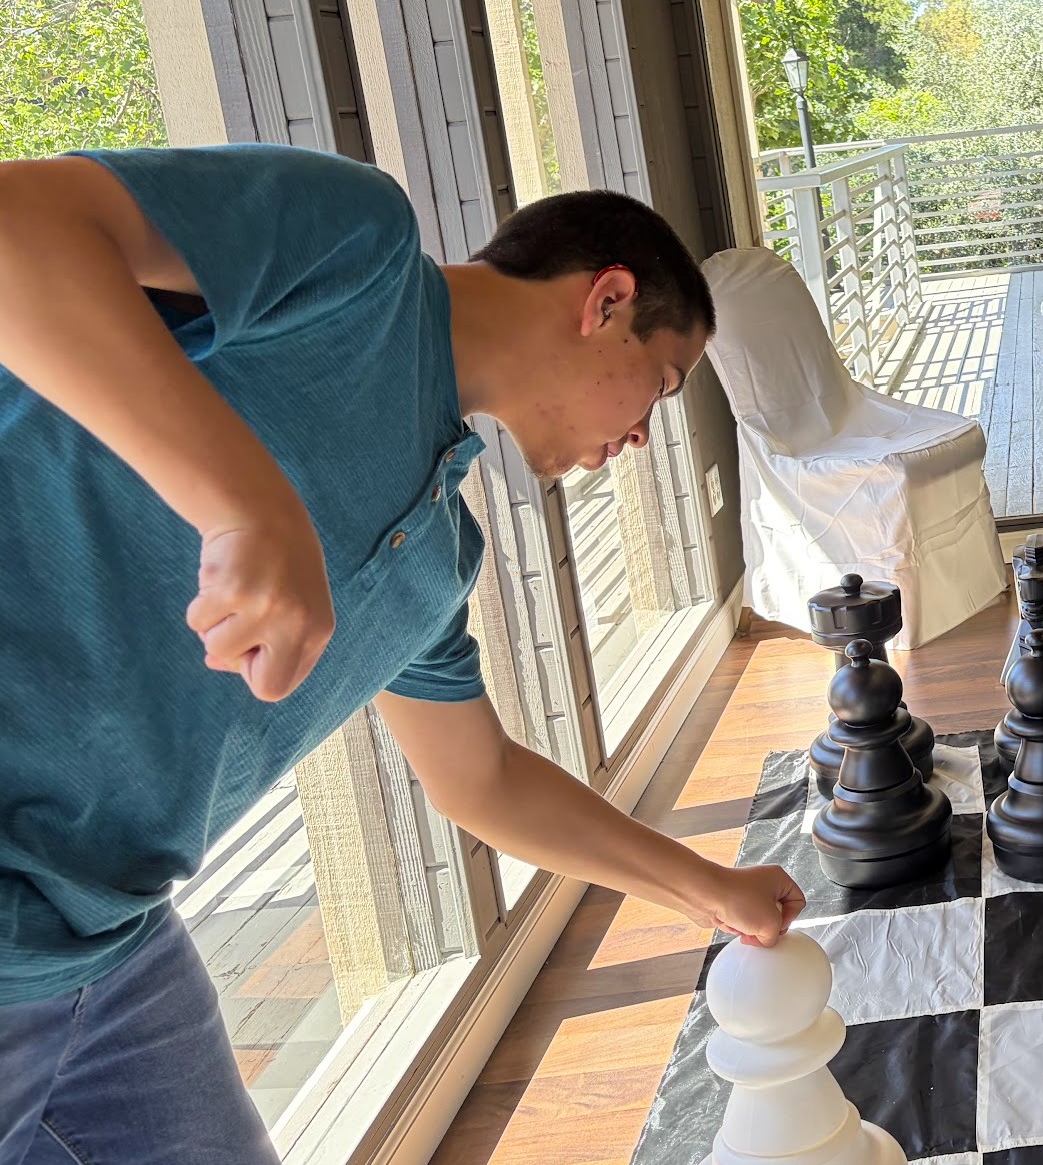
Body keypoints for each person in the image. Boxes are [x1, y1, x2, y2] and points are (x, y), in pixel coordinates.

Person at [0, 143, 805, 1164]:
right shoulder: (359, 248)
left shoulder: (435, 560)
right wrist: (243, 506)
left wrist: (711, 889)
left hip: (105, 945)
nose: (646, 432)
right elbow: (18, 223)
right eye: (663, 382)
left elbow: (486, 784)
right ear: (607, 299)